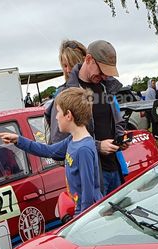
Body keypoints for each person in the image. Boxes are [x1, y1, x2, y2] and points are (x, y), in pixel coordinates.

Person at [0, 88, 102, 215]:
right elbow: (49, 151)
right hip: (79, 211)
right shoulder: (72, 140)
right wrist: (18, 140)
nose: (56, 117)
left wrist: (79, 219)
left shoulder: (83, 149)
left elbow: (88, 192)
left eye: (58, 112)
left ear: (68, 115)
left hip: (88, 215)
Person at [52, 39, 126, 194]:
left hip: (115, 169)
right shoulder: (67, 95)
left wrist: (121, 139)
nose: (105, 76)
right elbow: (59, 145)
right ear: (89, 59)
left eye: (108, 72)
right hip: (92, 178)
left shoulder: (107, 88)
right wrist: (98, 146)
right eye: (102, 71)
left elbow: (115, 123)